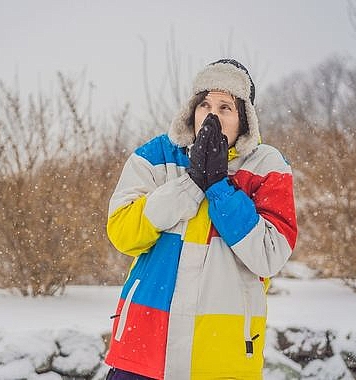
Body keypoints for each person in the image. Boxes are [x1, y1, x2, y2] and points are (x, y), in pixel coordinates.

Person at [104, 59, 297, 380]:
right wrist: (190, 184)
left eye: (225, 107)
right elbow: (123, 233)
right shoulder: (156, 156)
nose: (212, 115)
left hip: (222, 357)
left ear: (245, 119)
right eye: (205, 103)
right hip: (144, 349)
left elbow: (269, 255)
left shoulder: (268, 165)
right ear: (191, 109)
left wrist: (219, 188)